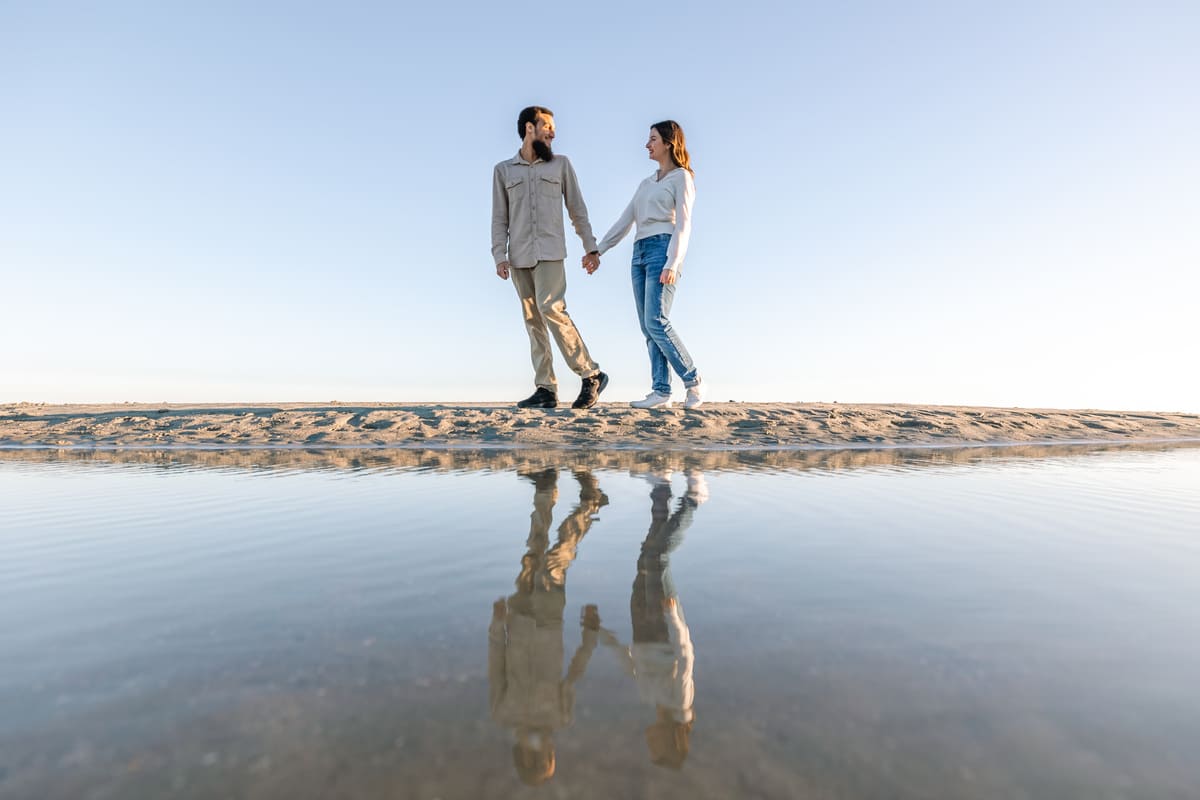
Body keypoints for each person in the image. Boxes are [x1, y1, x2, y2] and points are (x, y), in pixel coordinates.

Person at [488, 468, 608, 785]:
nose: (542, 751)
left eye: (538, 758)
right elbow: (575, 672)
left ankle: (545, 488)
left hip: (518, 618)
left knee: (534, 551)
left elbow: (496, 668)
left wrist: (497, 625)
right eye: (545, 756)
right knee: (556, 557)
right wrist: (590, 635)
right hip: (548, 620)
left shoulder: (503, 715)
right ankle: (590, 504)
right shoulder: (559, 717)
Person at [493, 106, 609, 410]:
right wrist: (499, 255)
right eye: (546, 126)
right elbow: (499, 218)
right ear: (529, 128)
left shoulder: (561, 165)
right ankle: (545, 388)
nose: (552, 132)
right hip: (518, 256)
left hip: (550, 252)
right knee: (533, 320)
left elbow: (577, 210)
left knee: (550, 307)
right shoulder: (503, 170)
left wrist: (590, 247)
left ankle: (591, 374)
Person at [599, 468, 708, 769]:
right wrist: (673, 617)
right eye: (655, 748)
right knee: (658, 559)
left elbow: (628, 662)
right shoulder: (680, 703)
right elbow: (686, 657)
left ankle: (661, 486)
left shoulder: (653, 701)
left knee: (647, 553)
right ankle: (694, 500)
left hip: (639, 619)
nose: (649, 743)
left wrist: (600, 634)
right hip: (662, 623)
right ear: (670, 742)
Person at [592, 120, 704, 409]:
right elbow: (625, 220)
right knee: (647, 326)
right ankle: (661, 390)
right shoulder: (645, 184)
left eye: (652, 139)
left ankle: (693, 381)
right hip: (638, 253)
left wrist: (673, 261)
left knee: (657, 320)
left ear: (668, 142)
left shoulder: (681, 178)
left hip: (663, 250)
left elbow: (684, 224)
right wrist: (598, 251)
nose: (647, 144)